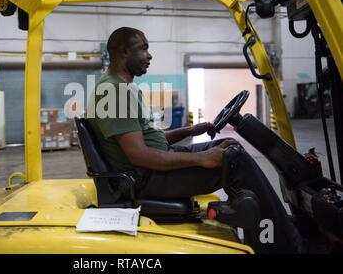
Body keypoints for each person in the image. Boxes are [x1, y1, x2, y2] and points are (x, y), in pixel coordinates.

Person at [88, 27, 303, 254]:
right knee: (236, 160)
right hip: (144, 178)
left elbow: (152, 140)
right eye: (143, 49)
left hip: (149, 169)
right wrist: (201, 158)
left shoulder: (121, 88)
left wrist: (192, 130)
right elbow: (139, 155)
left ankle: (270, 228)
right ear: (123, 52)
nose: (149, 55)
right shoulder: (114, 92)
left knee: (231, 149)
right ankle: (286, 244)